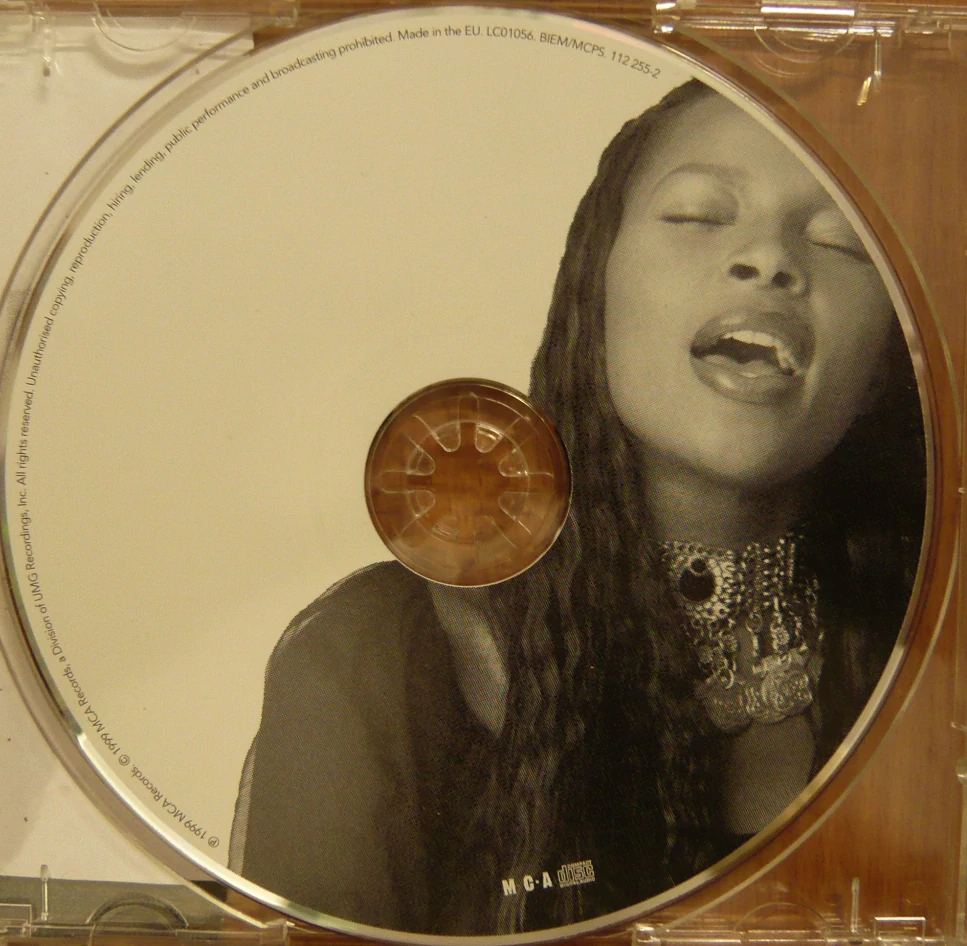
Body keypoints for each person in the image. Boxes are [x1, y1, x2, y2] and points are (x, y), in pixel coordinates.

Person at [229, 79, 926, 936]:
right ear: (593, 291)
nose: (768, 260)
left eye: (837, 241)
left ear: (886, 363)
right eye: (697, 215)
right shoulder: (374, 659)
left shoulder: (935, 665)